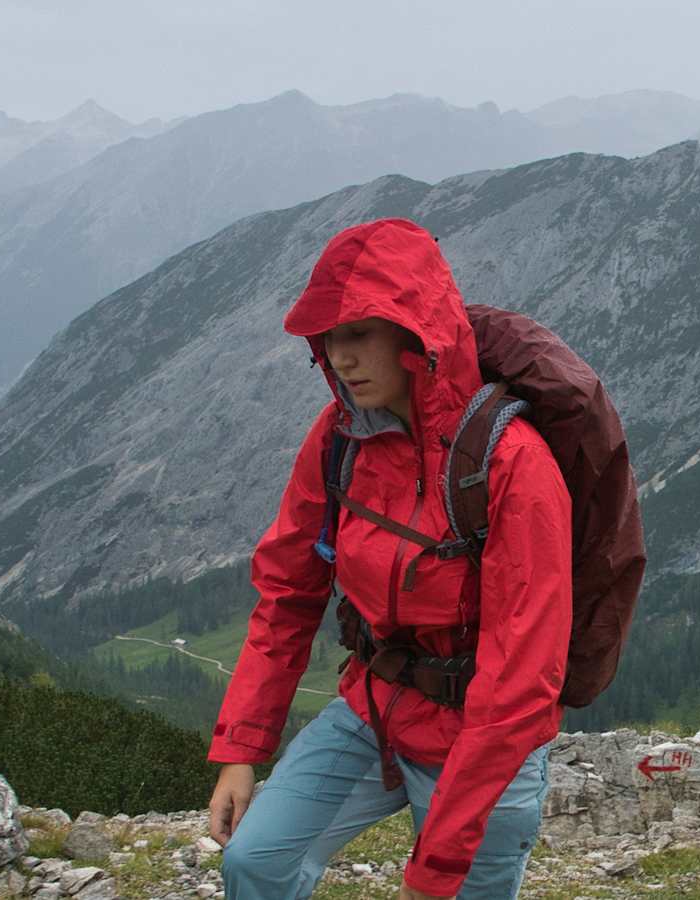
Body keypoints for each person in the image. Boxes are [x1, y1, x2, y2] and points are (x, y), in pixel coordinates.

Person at [208, 217, 574, 899]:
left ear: (415, 332)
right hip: (373, 710)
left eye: (358, 333)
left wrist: (433, 871)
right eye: (328, 339)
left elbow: (521, 683)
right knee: (255, 861)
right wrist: (240, 752)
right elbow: (288, 592)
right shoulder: (341, 439)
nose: (339, 357)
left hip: (483, 746)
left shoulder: (512, 465)